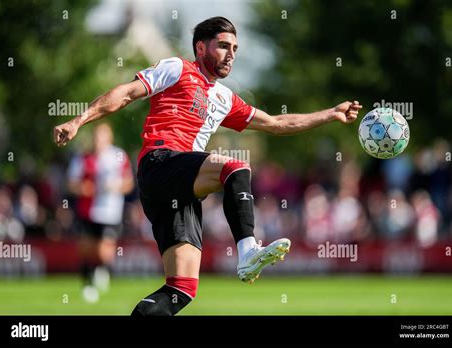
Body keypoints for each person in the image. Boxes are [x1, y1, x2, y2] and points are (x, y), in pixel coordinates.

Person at [53, 17, 362, 316]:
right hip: (161, 163)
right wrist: (79, 120)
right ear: (200, 48)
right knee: (235, 167)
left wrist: (331, 113)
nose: (231, 55)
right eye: (223, 46)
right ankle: (247, 252)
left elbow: (276, 123)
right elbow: (124, 93)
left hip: (180, 188)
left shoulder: (225, 98)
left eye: (236, 49)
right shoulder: (177, 68)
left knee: (181, 289)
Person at [67, 123, 134, 302]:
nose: (99, 140)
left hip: (110, 211)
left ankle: (101, 270)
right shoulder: (83, 158)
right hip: (87, 210)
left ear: (109, 137)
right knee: (86, 249)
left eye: (102, 136)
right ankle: (87, 284)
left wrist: (116, 186)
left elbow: (129, 183)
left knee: (104, 251)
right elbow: (72, 184)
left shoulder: (118, 156)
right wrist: (85, 189)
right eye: (96, 136)